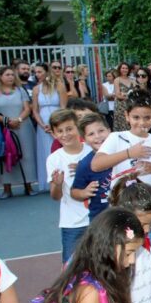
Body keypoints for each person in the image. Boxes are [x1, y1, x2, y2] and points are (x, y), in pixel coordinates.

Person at [92, 91, 151, 198]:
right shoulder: (117, 137)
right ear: (127, 116)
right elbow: (96, 165)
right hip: (122, 206)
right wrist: (129, 153)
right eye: (136, 117)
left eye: (147, 118)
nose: (142, 123)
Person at [0, 66, 38, 199]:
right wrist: (4, 120)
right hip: (3, 128)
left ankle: (28, 185)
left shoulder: (21, 90)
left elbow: (27, 108)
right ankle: (7, 188)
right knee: (5, 155)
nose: (10, 77)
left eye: (12, 75)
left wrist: (18, 119)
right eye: (7, 75)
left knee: (25, 154)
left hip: (22, 126)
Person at [46, 109, 91, 262]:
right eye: (60, 131)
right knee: (71, 267)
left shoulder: (93, 151)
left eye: (69, 128)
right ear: (54, 134)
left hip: (97, 217)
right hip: (72, 223)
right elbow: (55, 196)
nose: (65, 134)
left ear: (78, 127)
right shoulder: (54, 159)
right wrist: (58, 184)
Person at [71, 114, 114, 222]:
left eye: (101, 131)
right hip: (101, 220)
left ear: (109, 131)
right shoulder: (85, 164)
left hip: (128, 215)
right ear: (84, 140)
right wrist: (84, 193)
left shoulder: (122, 154)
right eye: (91, 134)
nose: (97, 136)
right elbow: (74, 191)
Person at [31, 62, 68, 189]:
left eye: (40, 71)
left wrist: (56, 124)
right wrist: (42, 125)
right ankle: (49, 181)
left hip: (58, 122)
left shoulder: (59, 86)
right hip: (43, 124)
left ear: (47, 72)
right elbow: (35, 110)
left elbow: (64, 107)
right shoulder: (36, 89)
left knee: (59, 149)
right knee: (46, 152)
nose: (37, 74)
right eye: (35, 72)